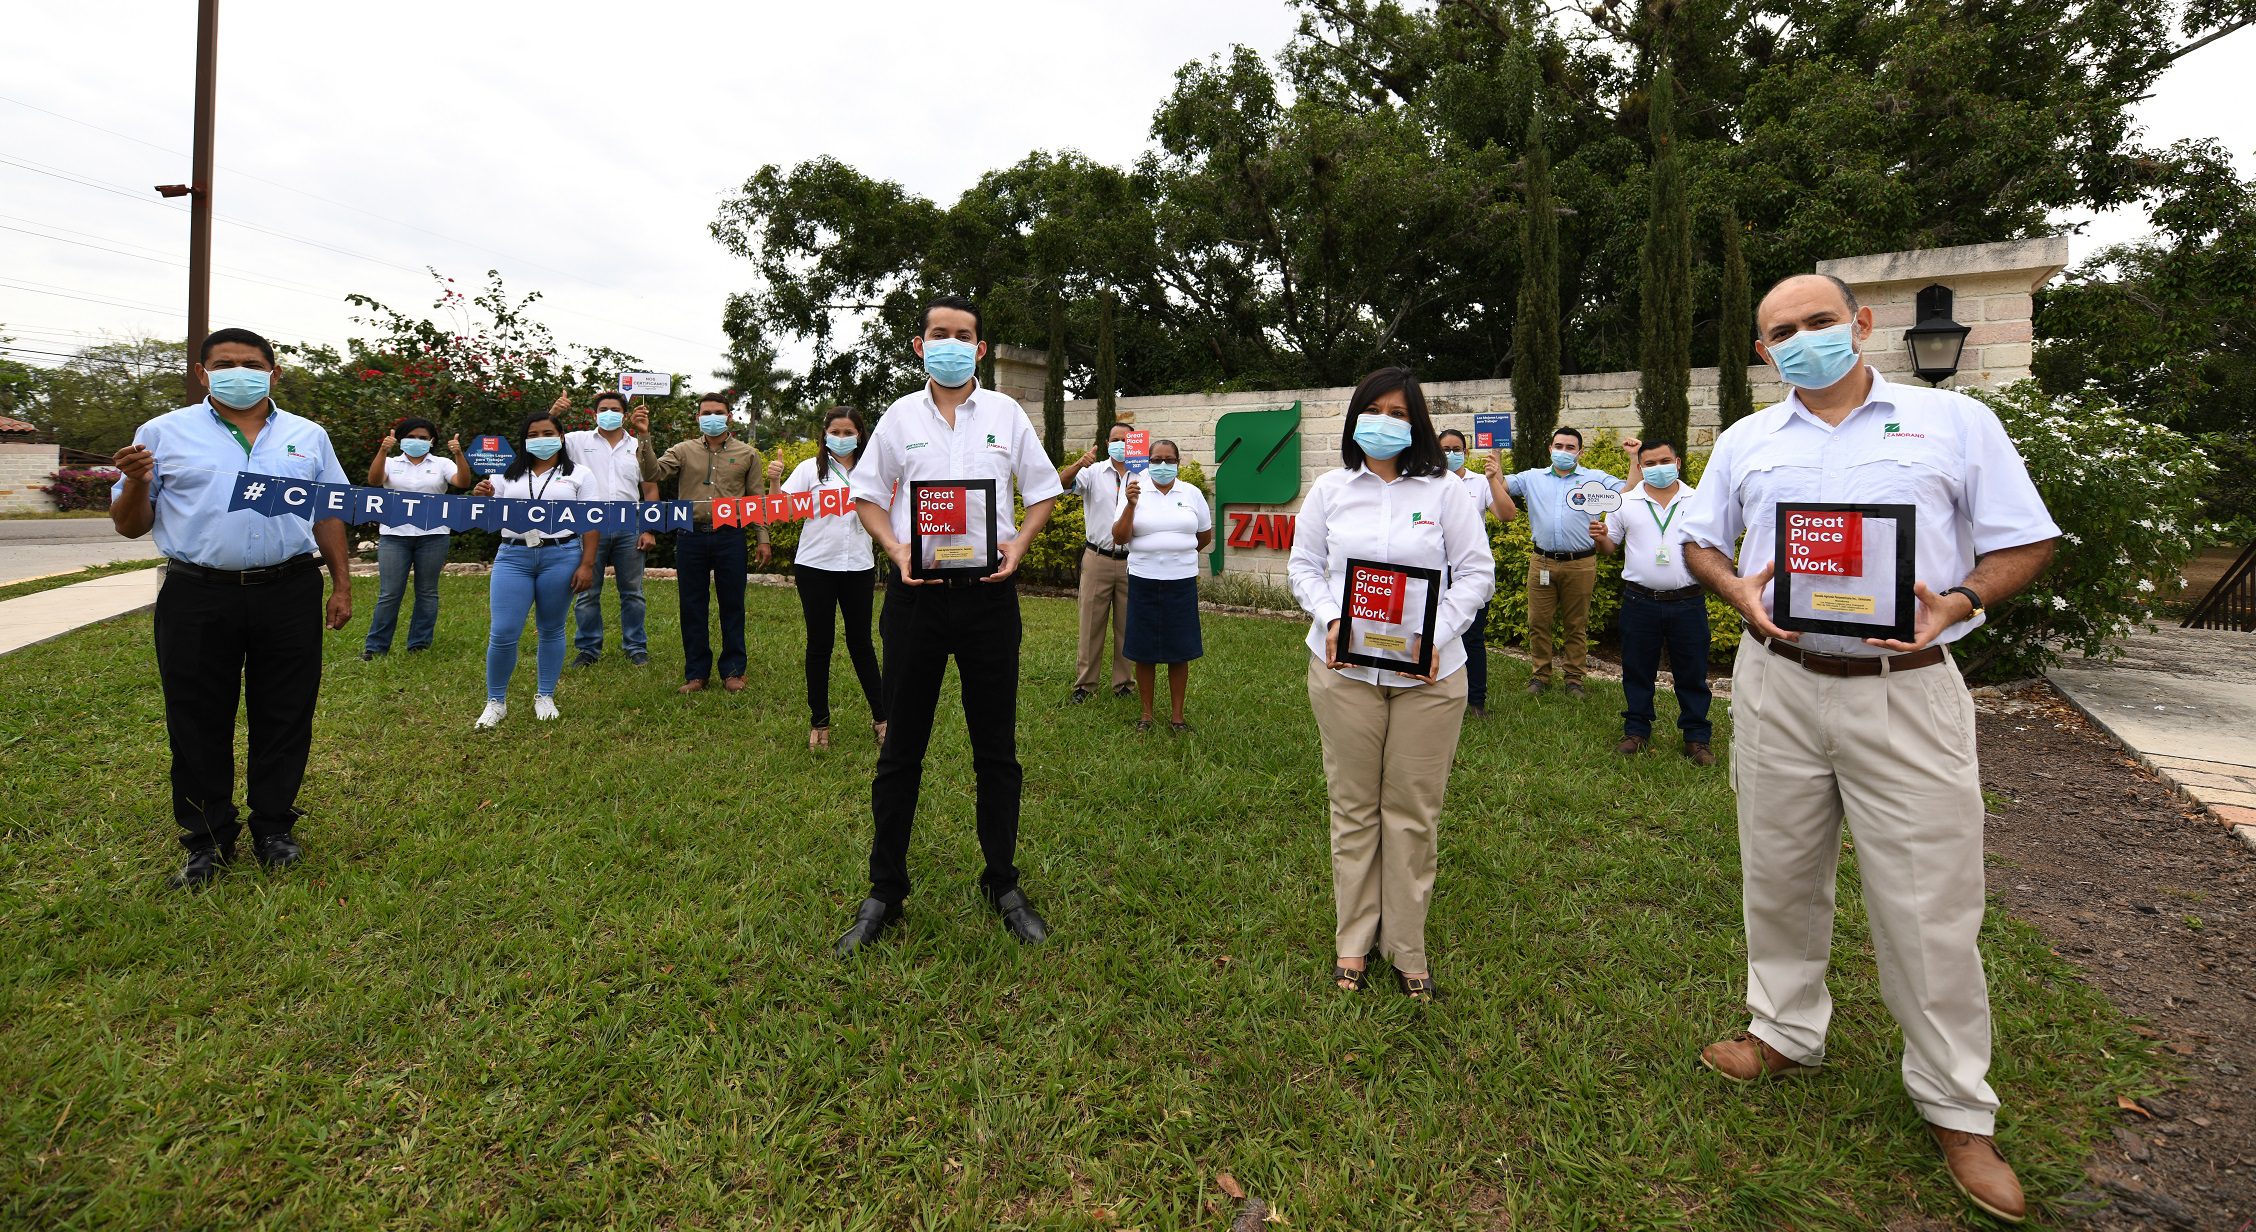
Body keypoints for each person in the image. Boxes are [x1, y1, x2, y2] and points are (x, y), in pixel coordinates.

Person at [1679, 273, 2059, 1224]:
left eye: (1817, 321)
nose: (1803, 339)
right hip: (1778, 683)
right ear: (1763, 355)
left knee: (1930, 901)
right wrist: (1739, 596)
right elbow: (1699, 542)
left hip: (1907, 692)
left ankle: (1956, 1104)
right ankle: (1784, 1032)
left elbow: (2026, 542)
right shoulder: (1746, 442)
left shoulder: (1954, 422)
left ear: (1860, 323)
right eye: (1781, 333)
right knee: (1778, 873)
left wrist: (1959, 602)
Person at [834, 295, 1062, 956]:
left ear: (981, 349)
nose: (952, 343)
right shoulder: (900, 417)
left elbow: (1043, 490)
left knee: (996, 750)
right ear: (919, 345)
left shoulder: (1007, 414)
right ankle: (885, 889)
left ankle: (1003, 883)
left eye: (964, 335)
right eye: (940, 334)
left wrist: (1018, 546)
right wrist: (897, 548)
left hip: (990, 598)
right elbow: (869, 496)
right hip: (917, 600)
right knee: (901, 748)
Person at [108, 327, 354, 890]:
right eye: (223, 363)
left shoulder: (307, 435)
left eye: (250, 363)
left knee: (285, 712)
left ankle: (273, 828)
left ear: (274, 371)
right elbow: (129, 526)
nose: (236, 372)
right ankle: (207, 840)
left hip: (288, 588)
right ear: (202, 372)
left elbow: (329, 511)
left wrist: (341, 584)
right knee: (196, 716)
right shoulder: (162, 433)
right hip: (198, 593)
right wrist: (137, 484)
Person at [1288, 367, 1494, 1002]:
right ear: (1355, 418)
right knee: (1352, 808)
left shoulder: (1446, 493)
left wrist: (1438, 634)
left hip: (1431, 676)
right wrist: (1332, 618)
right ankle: (1354, 939)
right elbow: (1304, 567)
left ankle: (1406, 945)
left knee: (1411, 813)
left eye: (1399, 412)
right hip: (1345, 670)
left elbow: (1476, 572)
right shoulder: (1329, 490)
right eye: (1373, 409)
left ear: (1418, 424)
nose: (1385, 421)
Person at [765, 407, 886, 750]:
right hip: (815, 565)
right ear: (824, 434)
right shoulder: (809, 470)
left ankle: (882, 718)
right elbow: (781, 511)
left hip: (858, 566)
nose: (842, 438)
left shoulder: (871, 471)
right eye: (837, 431)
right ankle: (819, 722)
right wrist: (775, 480)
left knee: (861, 642)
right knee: (820, 643)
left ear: (861, 435)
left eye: (850, 432)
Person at [472, 408, 599, 729]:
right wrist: (484, 497)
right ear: (523, 439)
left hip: (562, 555)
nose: (540, 440)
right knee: (503, 632)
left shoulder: (579, 475)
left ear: (560, 437)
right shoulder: (505, 474)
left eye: (547, 434)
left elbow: (592, 521)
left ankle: (545, 695)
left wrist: (587, 563)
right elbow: (489, 518)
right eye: (532, 435)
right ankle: (495, 701)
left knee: (552, 628)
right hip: (513, 557)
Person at [641, 392, 772, 694]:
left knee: (733, 605)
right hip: (691, 536)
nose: (711, 417)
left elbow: (756, 500)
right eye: (705, 412)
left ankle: (734, 671)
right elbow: (652, 473)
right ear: (697, 417)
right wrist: (644, 438)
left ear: (729, 415)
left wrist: (762, 538)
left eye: (718, 412)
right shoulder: (682, 450)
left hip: (731, 536)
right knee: (692, 606)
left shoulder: (747, 453)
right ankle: (696, 674)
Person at [1593, 438, 1713, 764]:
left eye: (1664, 462)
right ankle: (1636, 730)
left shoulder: (1699, 500)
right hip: (1640, 601)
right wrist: (1601, 537)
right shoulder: (1624, 503)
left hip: (1688, 602)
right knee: (1637, 669)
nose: (1657, 469)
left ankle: (1696, 738)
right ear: (1640, 467)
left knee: (1692, 672)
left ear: (1678, 463)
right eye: (1649, 464)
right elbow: (1609, 549)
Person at [1503, 427, 1626, 697]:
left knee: (1576, 624)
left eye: (1570, 447)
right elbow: (1500, 485)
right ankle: (1540, 677)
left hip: (1580, 563)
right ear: (1550, 448)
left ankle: (1574, 680)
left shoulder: (1595, 479)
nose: (1564, 451)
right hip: (1542, 561)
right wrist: (1495, 460)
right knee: (1538, 622)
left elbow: (1628, 492)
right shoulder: (1532, 478)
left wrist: (1633, 459)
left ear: (1580, 452)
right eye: (1559, 446)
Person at [1111, 439, 1213, 732]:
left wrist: (1176, 553)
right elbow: (1119, 537)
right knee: (1145, 650)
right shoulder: (1133, 489)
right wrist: (1130, 505)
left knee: (1179, 650)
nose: (1163, 465)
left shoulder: (1191, 493)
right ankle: (1146, 716)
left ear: (1178, 462)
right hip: (1144, 580)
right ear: (1147, 461)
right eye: (1156, 460)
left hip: (1180, 582)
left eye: (1169, 460)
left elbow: (1203, 536)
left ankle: (1177, 717)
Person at [360, 416, 472, 660]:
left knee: (427, 592)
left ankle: (418, 645)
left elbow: (463, 482)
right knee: (389, 593)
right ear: (400, 439)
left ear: (432, 441)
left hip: (433, 536)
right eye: (411, 437)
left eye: (423, 438)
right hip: (394, 535)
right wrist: (382, 450)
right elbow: (374, 481)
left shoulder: (442, 463)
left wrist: (459, 455)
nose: (417, 441)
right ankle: (375, 647)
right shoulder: (390, 461)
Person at [562, 390, 655, 668]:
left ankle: (635, 646)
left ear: (624, 414)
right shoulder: (576, 441)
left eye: (615, 409)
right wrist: (555, 413)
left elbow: (650, 488)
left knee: (633, 591)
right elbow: (539, 441)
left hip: (630, 523)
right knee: (587, 590)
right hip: (588, 524)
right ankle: (588, 648)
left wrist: (649, 529)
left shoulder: (638, 445)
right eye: (603, 408)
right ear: (594, 413)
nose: (609, 413)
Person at [1437, 428, 1515, 716]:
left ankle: (1475, 701)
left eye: (1456, 448)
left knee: (1472, 636)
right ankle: (1437, 691)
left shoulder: (1480, 482)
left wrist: (1494, 479)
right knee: (1436, 632)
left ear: (1466, 452)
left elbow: (1507, 515)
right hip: (1435, 571)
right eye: (1444, 449)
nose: (1451, 454)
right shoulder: (1427, 482)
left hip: (1468, 572)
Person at [1058, 421, 1136, 704]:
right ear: (1106, 443)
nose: (1120, 444)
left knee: (1127, 626)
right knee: (1091, 623)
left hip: (1132, 561)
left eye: (1125, 440)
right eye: (1115, 439)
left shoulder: (1144, 475)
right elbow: (1062, 484)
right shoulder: (1092, 472)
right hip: (1098, 558)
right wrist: (1079, 462)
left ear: (1134, 443)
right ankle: (1085, 684)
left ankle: (1124, 683)